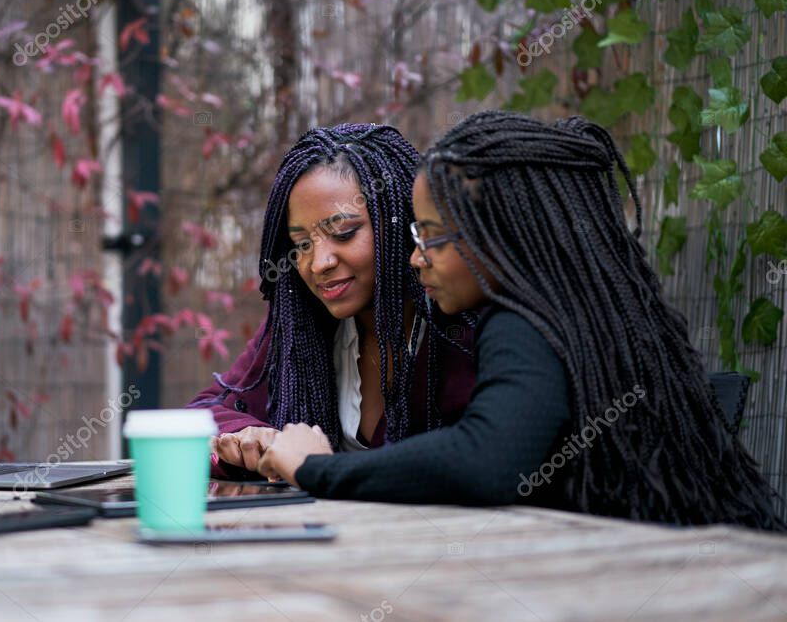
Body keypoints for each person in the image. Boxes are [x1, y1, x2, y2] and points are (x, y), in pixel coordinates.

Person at [258, 111, 784, 531]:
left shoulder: (523, 324)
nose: (416, 258)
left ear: (501, 233)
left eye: (433, 237)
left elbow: (486, 458)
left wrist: (315, 468)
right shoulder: (584, 309)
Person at [186, 123, 477, 478]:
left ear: (401, 222)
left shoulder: (464, 327)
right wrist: (247, 436)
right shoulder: (303, 325)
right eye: (301, 244)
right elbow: (200, 415)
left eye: (343, 233)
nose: (318, 263)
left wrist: (320, 468)